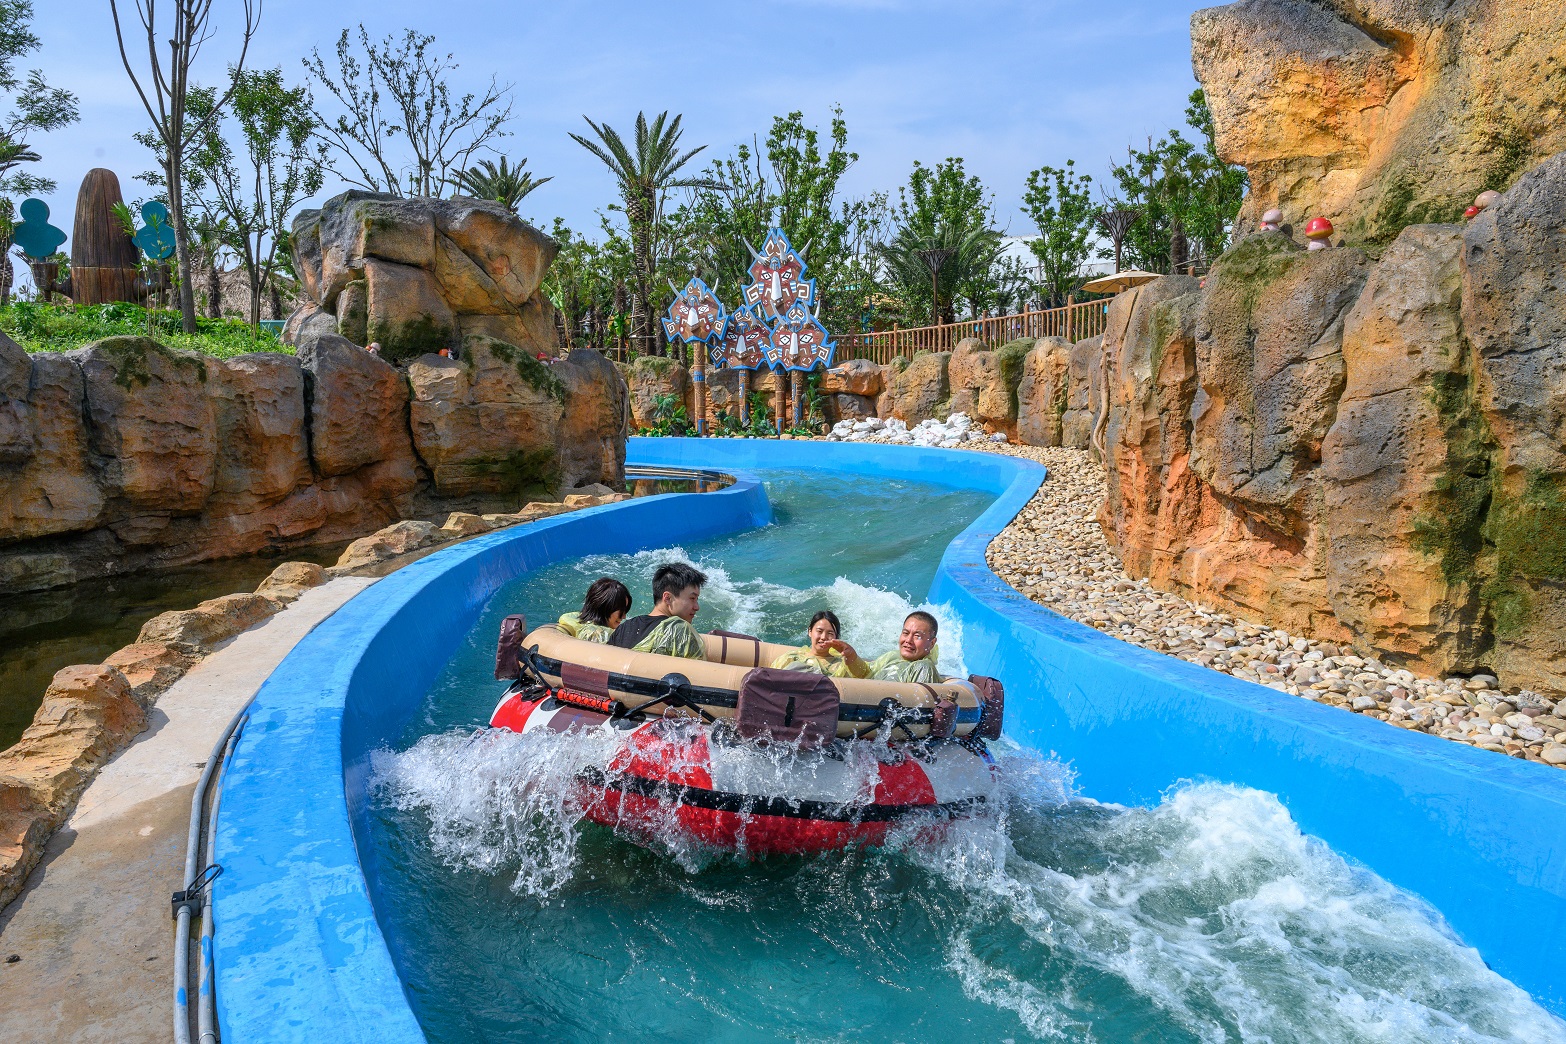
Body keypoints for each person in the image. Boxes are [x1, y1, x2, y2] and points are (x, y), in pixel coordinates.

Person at [607, 562, 708, 659]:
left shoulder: (624, 627)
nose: (696, 607)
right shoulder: (680, 630)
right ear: (668, 598)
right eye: (692, 598)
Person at [771, 610, 869, 678]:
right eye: (819, 631)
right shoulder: (792, 657)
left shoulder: (841, 664)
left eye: (830, 633)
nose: (823, 637)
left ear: (836, 637)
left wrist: (851, 655)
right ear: (810, 631)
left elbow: (863, 677)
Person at [862, 611, 943, 683]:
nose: (908, 640)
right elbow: (867, 672)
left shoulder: (923, 667)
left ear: (932, 643)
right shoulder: (892, 656)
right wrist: (851, 655)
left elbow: (919, 698)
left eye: (917, 636)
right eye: (906, 633)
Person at [558, 577, 632, 643]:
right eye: (621, 611)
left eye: (625, 610)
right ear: (604, 608)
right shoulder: (593, 636)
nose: (624, 616)